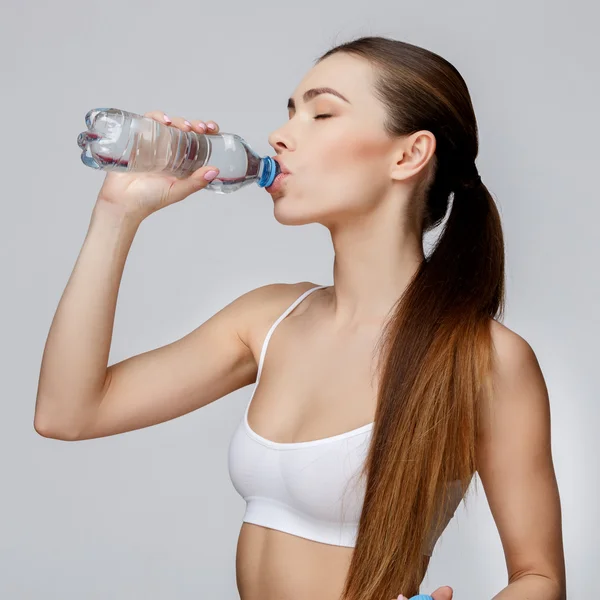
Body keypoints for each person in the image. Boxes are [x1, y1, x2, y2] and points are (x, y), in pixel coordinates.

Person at [34, 36, 566, 600]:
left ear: (408, 155)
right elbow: (68, 413)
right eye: (290, 111)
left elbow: (540, 578)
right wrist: (117, 214)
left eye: (322, 112)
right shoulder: (268, 319)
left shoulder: (484, 360)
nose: (279, 134)